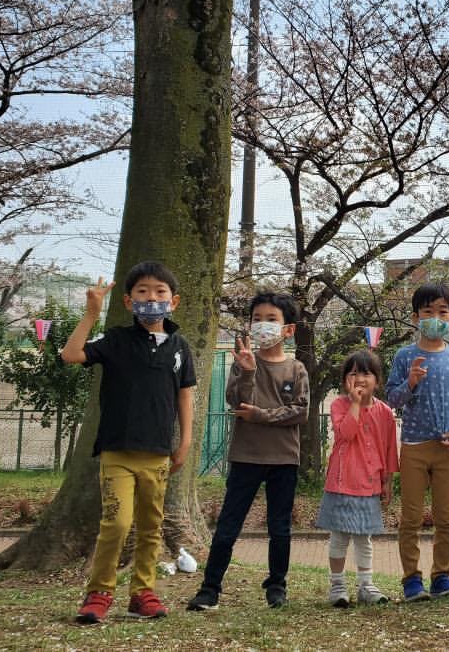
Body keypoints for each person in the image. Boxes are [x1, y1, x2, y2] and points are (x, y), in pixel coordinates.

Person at [63, 261, 196, 624]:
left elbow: (185, 395)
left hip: (158, 454)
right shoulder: (116, 341)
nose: (151, 298)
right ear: (127, 301)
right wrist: (91, 314)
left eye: (160, 292)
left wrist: (185, 442)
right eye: (142, 292)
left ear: (174, 301)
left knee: (152, 526)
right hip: (117, 451)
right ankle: (99, 592)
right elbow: (71, 355)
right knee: (117, 524)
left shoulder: (180, 347)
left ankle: (142, 593)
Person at [188, 291, 309, 612]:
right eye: (257, 319)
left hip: (284, 459)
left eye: (271, 319)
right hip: (245, 457)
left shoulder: (296, 368)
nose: (262, 325)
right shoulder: (242, 362)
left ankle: (277, 586)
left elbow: (300, 412)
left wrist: (261, 416)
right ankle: (210, 589)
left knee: (279, 528)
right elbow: (237, 402)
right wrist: (249, 372)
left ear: (288, 329)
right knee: (228, 526)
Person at [386, 283, 449, 602]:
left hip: (447, 448)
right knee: (410, 518)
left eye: (442, 312)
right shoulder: (404, 356)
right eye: (427, 311)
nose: (435, 317)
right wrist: (410, 382)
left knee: (446, 518)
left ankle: (442, 577)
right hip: (413, 447)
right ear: (415, 317)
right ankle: (411, 580)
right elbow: (392, 399)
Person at [317, 349, 399, 607]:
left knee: (364, 538)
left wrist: (388, 481)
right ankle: (337, 586)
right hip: (341, 483)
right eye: (353, 374)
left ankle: (366, 585)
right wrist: (354, 403)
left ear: (378, 380)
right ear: (345, 381)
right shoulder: (339, 405)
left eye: (366, 373)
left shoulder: (385, 412)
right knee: (339, 538)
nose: (360, 379)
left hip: (370, 485)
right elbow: (345, 434)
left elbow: (389, 449)